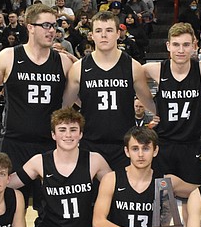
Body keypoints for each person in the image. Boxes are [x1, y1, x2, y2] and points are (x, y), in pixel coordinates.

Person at [0, 3, 75, 171]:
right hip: (15, 144)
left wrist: (79, 66)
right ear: (30, 27)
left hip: (51, 144)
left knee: (48, 197)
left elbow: (82, 98)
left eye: (54, 26)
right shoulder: (9, 56)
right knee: (13, 196)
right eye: (46, 25)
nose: (52, 31)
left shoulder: (63, 62)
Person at [142, 23, 201, 184]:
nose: (181, 50)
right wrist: (154, 109)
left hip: (191, 144)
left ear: (194, 46)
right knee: (162, 198)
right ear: (168, 46)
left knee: (193, 195)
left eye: (186, 45)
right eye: (176, 45)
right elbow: (134, 79)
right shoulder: (156, 69)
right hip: (164, 144)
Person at [63, 10, 156, 171]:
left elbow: (150, 104)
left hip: (124, 146)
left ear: (118, 33)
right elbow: (64, 106)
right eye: (98, 31)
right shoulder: (79, 68)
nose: (103, 35)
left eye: (109, 30)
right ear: (91, 35)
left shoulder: (133, 67)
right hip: (90, 145)